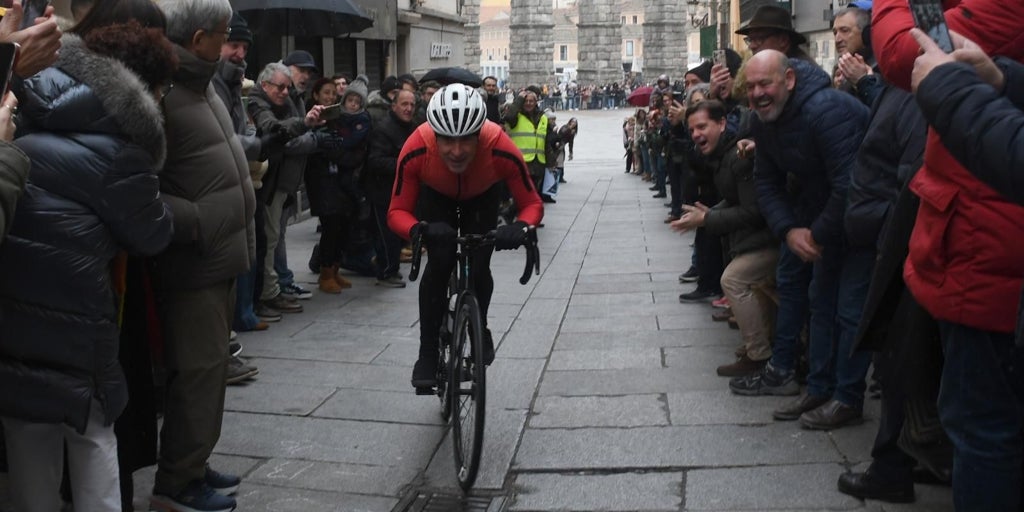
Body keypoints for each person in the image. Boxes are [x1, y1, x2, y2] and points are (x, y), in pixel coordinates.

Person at [0, 3, 176, 509]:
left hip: (13, 309)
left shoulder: (28, 103)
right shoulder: (125, 150)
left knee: (28, 434)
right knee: (94, 437)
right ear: (144, 87)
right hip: (80, 319)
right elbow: (152, 235)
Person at [892, 11, 1024, 507]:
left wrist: (951, 89)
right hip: (978, 265)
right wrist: (1002, 77)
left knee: (985, 433)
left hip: (984, 268)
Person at [149, 0, 257, 509]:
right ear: (197, 40)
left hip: (217, 258)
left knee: (209, 371)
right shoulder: (164, 93)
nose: (227, 41)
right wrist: (199, 223)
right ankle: (176, 484)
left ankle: (192, 462)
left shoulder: (202, 84)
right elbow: (138, 185)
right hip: (194, 262)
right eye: (223, 33)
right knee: (196, 373)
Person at [728, 51, 871, 432]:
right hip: (819, 222)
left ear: (788, 80)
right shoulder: (764, 121)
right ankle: (820, 389)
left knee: (849, 310)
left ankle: (847, 397)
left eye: (766, 84)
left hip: (862, 224)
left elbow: (849, 183)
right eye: (752, 86)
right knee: (821, 306)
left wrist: (814, 232)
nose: (758, 94)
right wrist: (790, 230)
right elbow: (767, 182)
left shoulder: (827, 110)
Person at [387, 84, 544, 389]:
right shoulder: (416, 146)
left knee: (479, 262)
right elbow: (396, 211)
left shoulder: (500, 146)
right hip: (436, 196)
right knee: (440, 263)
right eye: (446, 140)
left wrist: (520, 227)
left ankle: (479, 323)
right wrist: (419, 230)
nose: (456, 151)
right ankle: (428, 352)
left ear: (480, 136)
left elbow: (532, 204)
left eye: (465, 141)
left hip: (482, 196)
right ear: (433, 135)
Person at [671, 100, 779, 377]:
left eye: (702, 127)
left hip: (772, 239)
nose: (695, 134)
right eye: (692, 129)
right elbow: (732, 200)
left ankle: (758, 355)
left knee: (733, 279)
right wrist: (709, 213)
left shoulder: (738, 156)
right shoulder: (723, 155)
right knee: (754, 289)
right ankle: (759, 346)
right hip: (757, 237)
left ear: (721, 124)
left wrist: (707, 219)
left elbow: (754, 211)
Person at [248, 61, 328, 313]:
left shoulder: (287, 100)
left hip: (280, 181)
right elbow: (277, 133)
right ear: (265, 85)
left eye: (287, 88)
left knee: (274, 237)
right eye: (280, 88)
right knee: (269, 239)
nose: (284, 92)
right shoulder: (257, 103)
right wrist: (306, 127)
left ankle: (273, 289)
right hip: (268, 181)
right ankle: (268, 293)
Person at [306, 76, 370, 293]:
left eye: (334, 93)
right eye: (326, 93)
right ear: (316, 95)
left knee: (343, 225)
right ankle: (325, 272)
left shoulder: (338, 117)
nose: (331, 97)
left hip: (339, 180)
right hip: (323, 180)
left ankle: (334, 268)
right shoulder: (313, 117)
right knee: (331, 226)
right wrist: (346, 156)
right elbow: (327, 149)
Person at [366, 89, 417, 289]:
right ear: (394, 106)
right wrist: (405, 163)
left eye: (412, 105)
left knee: (395, 233)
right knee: (386, 234)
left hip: (402, 191)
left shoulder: (412, 127)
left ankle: (391, 268)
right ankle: (387, 271)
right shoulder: (383, 129)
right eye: (404, 104)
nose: (409, 108)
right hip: (383, 191)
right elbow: (375, 161)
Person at [503, 85, 557, 203]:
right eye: (526, 101)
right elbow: (508, 117)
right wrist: (518, 100)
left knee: (535, 194)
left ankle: (533, 219)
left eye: (531, 101)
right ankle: (521, 218)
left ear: (536, 102)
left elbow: (545, 142)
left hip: (538, 164)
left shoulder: (543, 117)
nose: (528, 103)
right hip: (521, 163)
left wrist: (551, 161)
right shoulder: (516, 117)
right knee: (521, 195)